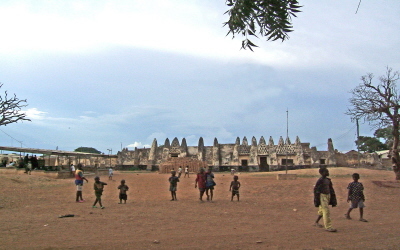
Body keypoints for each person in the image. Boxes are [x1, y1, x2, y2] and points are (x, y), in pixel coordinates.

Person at [313, 168, 337, 232]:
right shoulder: (320, 180)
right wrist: (317, 199)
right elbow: (316, 190)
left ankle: (316, 222)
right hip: (322, 196)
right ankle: (328, 227)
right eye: (326, 172)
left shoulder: (327, 180)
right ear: (321, 173)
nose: (328, 172)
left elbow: (331, 189)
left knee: (321, 210)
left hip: (327, 195)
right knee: (326, 211)